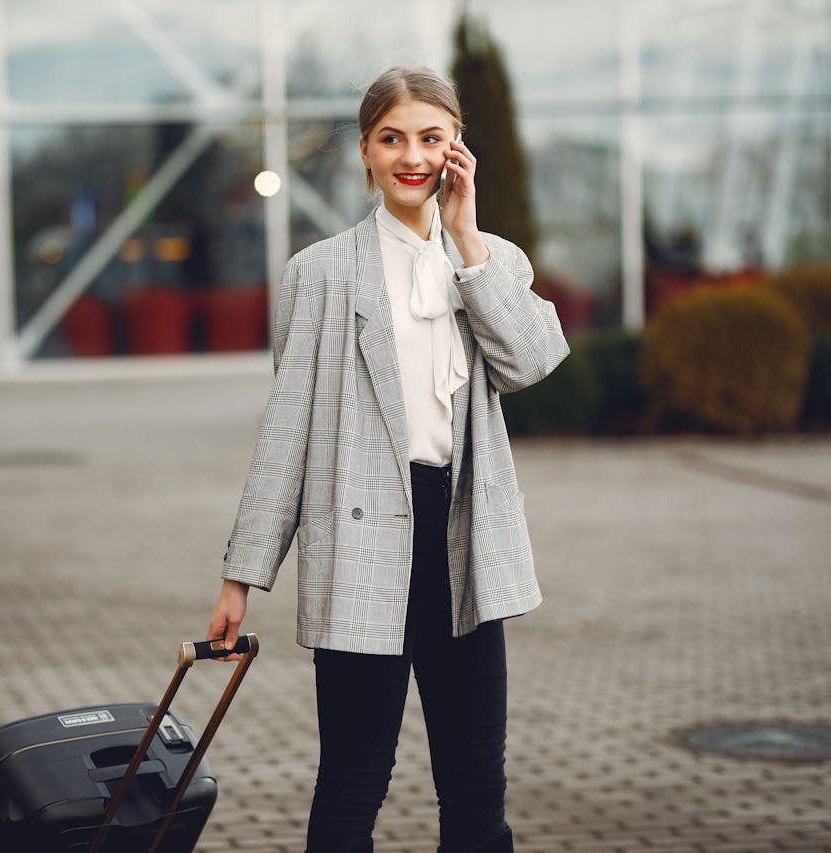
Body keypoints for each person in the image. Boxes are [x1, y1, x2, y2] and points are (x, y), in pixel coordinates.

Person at [206, 66, 569, 853]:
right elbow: (287, 433)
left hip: (462, 542)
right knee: (351, 783)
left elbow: (534, 361)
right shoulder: (320, 273)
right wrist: (244, 574)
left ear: (456, 150)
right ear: (366, 153)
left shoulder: (491, 261)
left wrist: (469, 243)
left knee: (477, 788)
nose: (412, 156)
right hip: (360, 541)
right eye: (392, 138)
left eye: (431, 138)